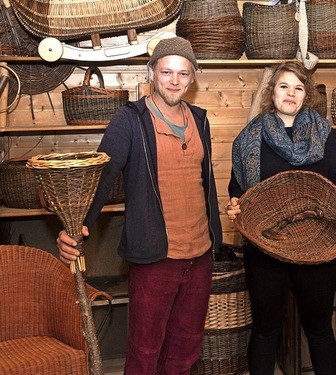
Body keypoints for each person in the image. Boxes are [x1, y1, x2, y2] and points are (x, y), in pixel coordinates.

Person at [56, 36, 223, 374]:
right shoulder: (130, 120)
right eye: (166, 72)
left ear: (192, 78)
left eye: (183, 74)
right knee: (145, 353)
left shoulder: (200, 120)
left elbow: (205, 183)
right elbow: (101, 178)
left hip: (200, 255)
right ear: (151, 72)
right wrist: (77, 229)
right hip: (154, 258)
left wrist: (215, 238)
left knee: (185, 350)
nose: (174, 81)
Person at [225, 61, 336, 375]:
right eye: (284, 86)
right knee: (265, 330)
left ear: (306, 94)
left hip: (318, 243)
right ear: (273, 92)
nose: (291, 93)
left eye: (298, 87)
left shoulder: (323, 133)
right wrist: (234, 203)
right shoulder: (250, 137)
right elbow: (237, 186)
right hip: (265, 243)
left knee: (320, 329)